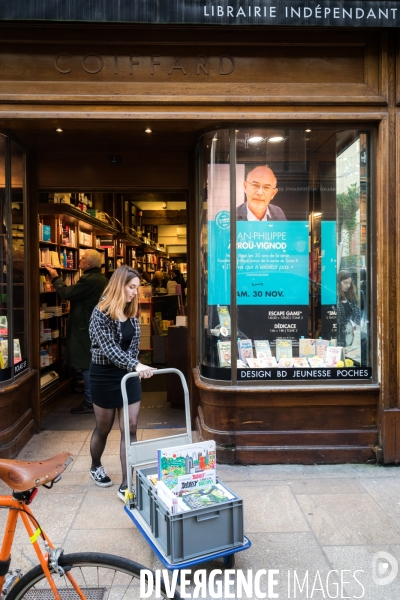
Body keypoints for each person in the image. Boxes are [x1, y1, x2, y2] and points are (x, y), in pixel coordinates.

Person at [88, 265, 156, 499]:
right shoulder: (100, 312)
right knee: (104, 428)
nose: (135, 292)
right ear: (120, 285)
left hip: (128, 376)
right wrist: (136, 365)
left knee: (130, 427)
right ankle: (95, 466)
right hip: (104, 375)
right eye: (132, 287)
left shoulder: (131, 310)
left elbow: (133, 347)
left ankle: (127, 484)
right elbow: (109, 350)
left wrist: (137, 368)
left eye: (137, 288)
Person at [46, 249, 108, 414]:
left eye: (83, 258)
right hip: (94, 325)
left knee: (86, 365)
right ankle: (96, 399)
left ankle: (90, 402)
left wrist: (56, 277)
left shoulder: (88, 280)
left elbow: (67, 293)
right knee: (92, 363)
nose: (79, 259)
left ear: (89, 264)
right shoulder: (102, 279)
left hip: (84, 327)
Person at [336, 270, 361, 348]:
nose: (348, 286)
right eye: (345, 283)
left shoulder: (350, 298)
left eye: (349, 283)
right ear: (338, 283)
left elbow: (357, 318)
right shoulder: (334, 297)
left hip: (349, 336)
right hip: (336, 336)